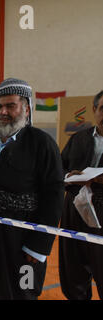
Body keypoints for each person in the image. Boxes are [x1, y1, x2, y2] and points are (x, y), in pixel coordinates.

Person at [0, 78, 64, 299]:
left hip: (19, 238)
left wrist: (38, 246)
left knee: (21, 292)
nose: (2, 111)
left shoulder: (42, 144)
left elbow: (53, 197)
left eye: (10, 106)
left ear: (26, 108)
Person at [59, 90, 103, 300]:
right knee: (73, 271)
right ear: (94, 110)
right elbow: (58, 170)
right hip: (73, 214)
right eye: (102, 109)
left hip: (101, 217)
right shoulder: (78, 139)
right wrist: (68, 175)